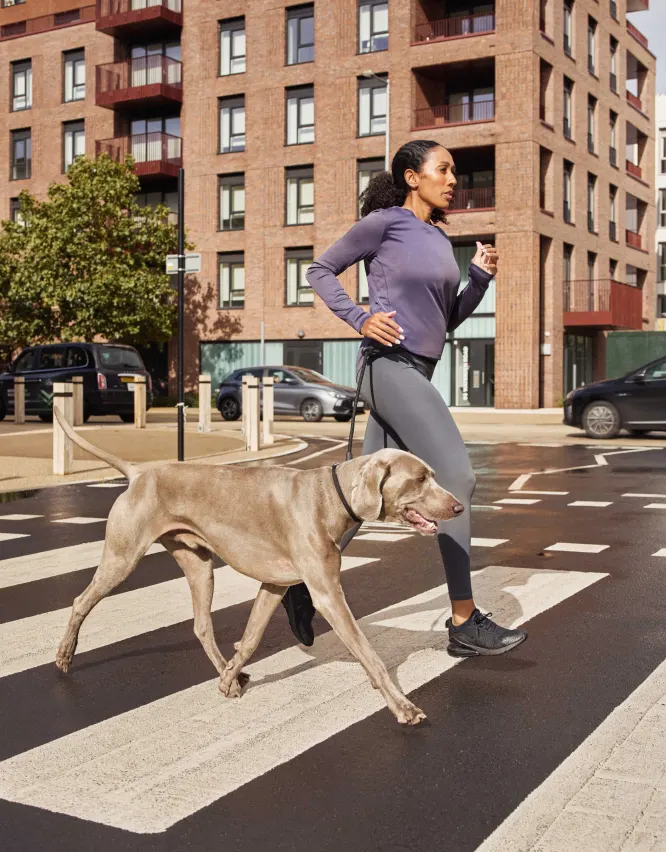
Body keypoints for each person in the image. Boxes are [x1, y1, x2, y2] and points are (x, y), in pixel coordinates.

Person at [280, 139, 527, 658]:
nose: (453, 179)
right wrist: (360, 317)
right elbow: (319, 270)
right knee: (456, 476)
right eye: (444, 169)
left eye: (454, 171)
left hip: (418, 370)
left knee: (362, 498)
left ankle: (297, 581)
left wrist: (479, 280)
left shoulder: (438, 237)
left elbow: (445, 319)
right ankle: (464, 620)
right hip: (388, 368)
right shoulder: (384, 223)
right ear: (412, 177)